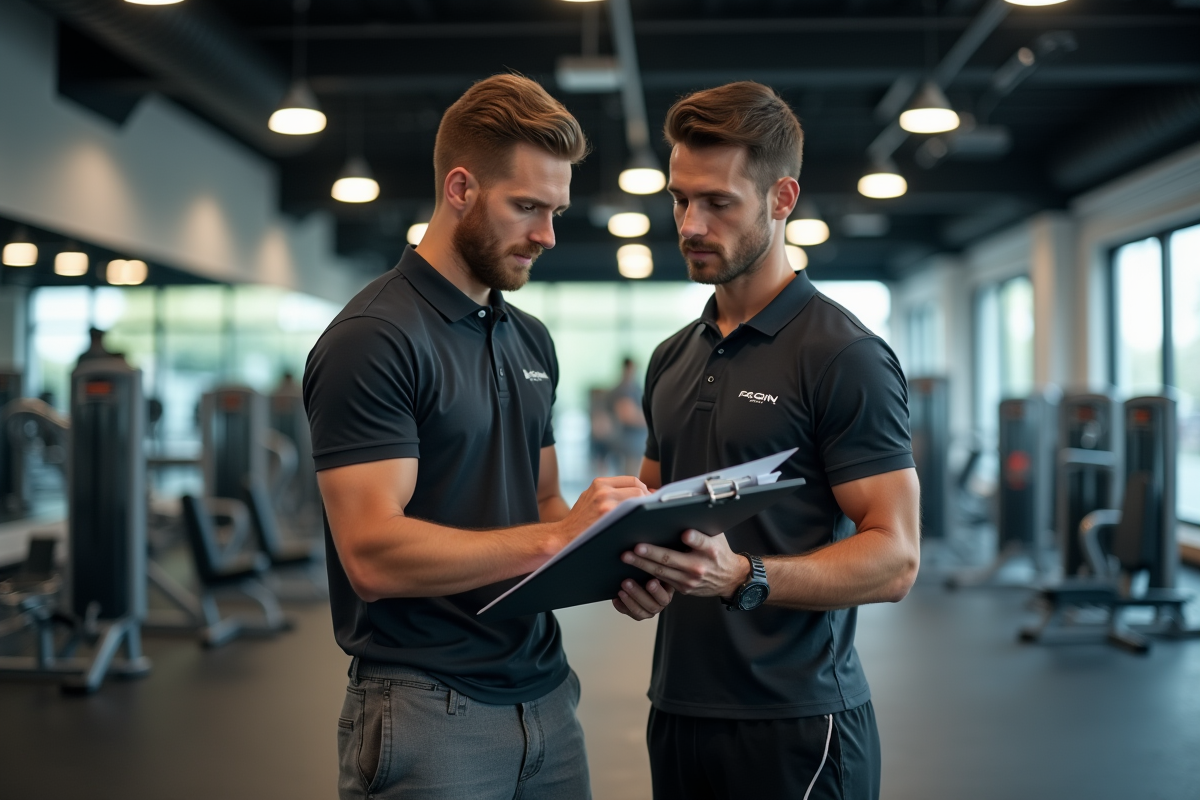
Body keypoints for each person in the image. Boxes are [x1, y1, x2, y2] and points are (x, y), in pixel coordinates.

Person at [303, 74, 673, 800]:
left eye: (556, 210)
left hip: (546, 694)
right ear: (461, 189)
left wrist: (617, 561)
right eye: (527, 207)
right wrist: (556, 539)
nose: (547, 235)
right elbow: (372, 555)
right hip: (426, 705)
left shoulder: (528, 339)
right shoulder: (375, 339)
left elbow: (541, 501)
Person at [615, 82, 921, 799]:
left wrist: (745, 576)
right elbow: (656, 514)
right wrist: (633, 569)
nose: (691, 223)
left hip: (798, 724)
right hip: (680, 711)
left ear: (782, 199)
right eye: (680, 198)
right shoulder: (671, 357)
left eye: (718, 202)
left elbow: (897, 559)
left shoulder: (842, 354)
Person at [607, 357, 647, 476]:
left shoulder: (636, 388)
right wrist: (654, 418)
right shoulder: (623, 390)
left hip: (639, 445)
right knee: (629, 482)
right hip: (629, 446)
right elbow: (628, 416)